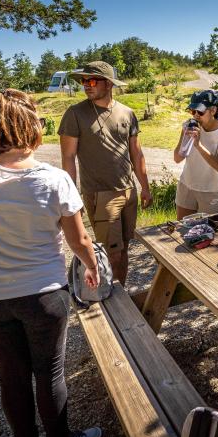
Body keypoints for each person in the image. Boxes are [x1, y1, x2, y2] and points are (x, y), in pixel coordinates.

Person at [0, 89, 101, 437]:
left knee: (11, 376)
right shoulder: (55, 179)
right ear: (35, 128)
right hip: (44, 297)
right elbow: (79, 240)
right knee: (48, 373)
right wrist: (91, 267)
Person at [59, 61, 152, 285]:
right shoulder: (75, 114)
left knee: (125, 247)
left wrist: (145, 187)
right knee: (112, 253)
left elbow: (137, 154)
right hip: (100, 195)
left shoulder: (127, 113)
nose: (86, 86)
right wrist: (72, 199)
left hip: (128, 191)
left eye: (91, 80)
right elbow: (68, 158)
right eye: (83, 81)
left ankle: (121, 292)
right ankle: (110, 298)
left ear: (108, 83)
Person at [173, 89, 218, 220]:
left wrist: (198, 145)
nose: (196, 116)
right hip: (187, 185)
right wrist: (185, 137)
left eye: (200, 112)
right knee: (182, 230)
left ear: (213, 110)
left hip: (212, 191)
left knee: (208, 233)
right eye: (192, 111)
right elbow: (177, 159)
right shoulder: (189, 126)